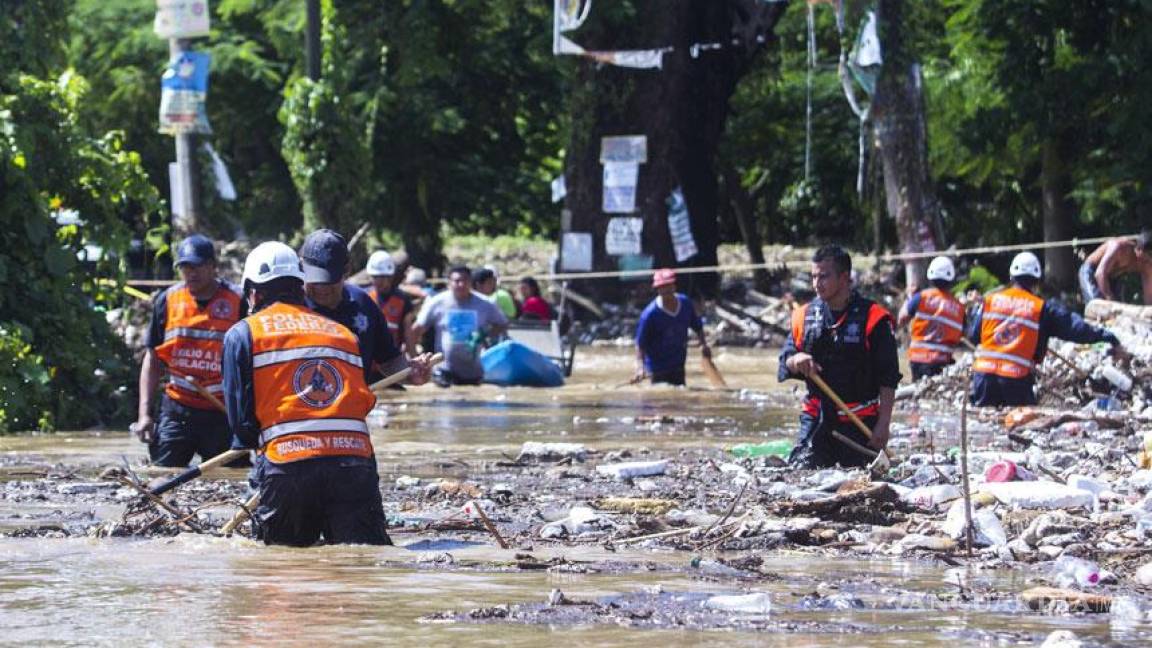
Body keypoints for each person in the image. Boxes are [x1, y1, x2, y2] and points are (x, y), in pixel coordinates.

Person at [222, 242, 389, 546]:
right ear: (301, 288)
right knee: (366, 561)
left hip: (288, 467)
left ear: (253, 293)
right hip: (354, 463)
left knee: (283, 566)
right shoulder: (343, 334)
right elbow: (357, 403)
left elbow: (243, 427)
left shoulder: (243, 333)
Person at [779, 246, 899, 468]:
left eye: (824, 276)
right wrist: (796, 360)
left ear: (844, 278)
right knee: (801, 474)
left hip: (860, 422)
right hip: (816, 420)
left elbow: (888, 377)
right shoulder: (803, 316)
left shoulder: (874, 318)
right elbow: (785, 357)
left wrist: (884, 425)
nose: (817, 283)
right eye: (813, 276)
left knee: (859, 479)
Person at [132, 234, 246, 467]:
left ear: (213, 266)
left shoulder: (238, 301)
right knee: (163, 475)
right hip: (178, 409)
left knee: (233, 479)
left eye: (198, 266)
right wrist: (144, 414)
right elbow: (152, 360)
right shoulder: (168, 300)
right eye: (185, 267)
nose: (191, 273)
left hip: (222, 412)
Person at [969, 251, 1122, 407]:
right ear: (1037, 282)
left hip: (983, 380)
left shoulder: (990, 301)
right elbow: (1074, 328)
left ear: (1011, 277)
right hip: (1014, 382)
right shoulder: (1041, 309)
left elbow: (974, 336)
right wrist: (1107, 336)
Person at [298, 230, 430, 386]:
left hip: (351, 407)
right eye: (314, 279)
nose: (321, 287)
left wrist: (410, 373)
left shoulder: (363, 305)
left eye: (328, 280)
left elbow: (388, 359)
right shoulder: (290, 307)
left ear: (347, 270)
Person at [412, 265, 508, 386]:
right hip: (444, 369)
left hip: (473, 371)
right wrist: (412, 354)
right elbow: (417, 329)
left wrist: (485, 333)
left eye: (465, 281)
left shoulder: (485, 304)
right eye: (457, 281)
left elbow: (502, 324)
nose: (461, 284)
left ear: (471, 282)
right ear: (449, 283)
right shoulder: (437, 302)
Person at [633, 268, 710, 386]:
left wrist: (704, 344)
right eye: (662, 287)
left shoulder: (685, 303)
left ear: (674, 286)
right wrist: (640, 368)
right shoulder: (650, 314)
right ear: (657, 289)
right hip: (657, 367)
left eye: (668, 286)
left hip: (678, 363)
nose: (666, 290)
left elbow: (697, 326)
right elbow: (640, 344)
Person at [896, 256, 965, 381]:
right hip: (941, 361)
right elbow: (961, 336)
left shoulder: (921, 297)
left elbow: (901, 319)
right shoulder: (959, 308)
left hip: (917, 359)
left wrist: (909, 298)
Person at [365, 250, 417, 355]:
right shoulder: (364, 297)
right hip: (368, 361)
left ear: (391, 276)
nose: (379, 281)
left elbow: (408, 334)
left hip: (392, 360)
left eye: (383, 277)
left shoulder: (403, 300)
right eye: (375, 277)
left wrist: (414, 358)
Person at [1078, 231, 1152, 304]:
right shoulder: (1119, 247)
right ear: (1138, 250)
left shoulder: (1147, 264)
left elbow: (1149, 296)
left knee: (1120, 309)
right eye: (1144, 259)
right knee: (1097, 304)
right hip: (1091, 271)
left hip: (1112, 277)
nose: (1144, 262)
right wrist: (1110, 299)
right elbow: (1100, 273)